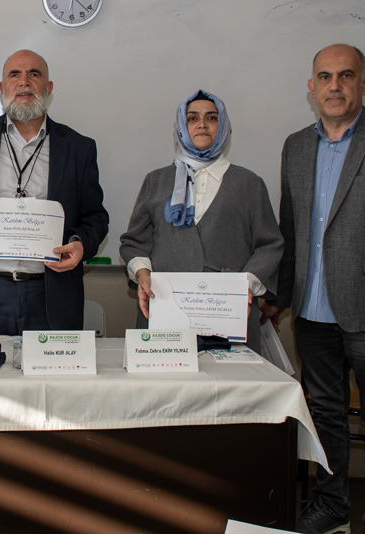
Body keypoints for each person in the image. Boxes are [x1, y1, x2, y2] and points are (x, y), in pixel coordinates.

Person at [262, 44, 365, 534]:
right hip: (311, 314)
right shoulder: (296, 146)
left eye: (346, 76)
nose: (335, 86)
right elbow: (291, 229)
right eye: (325, 77)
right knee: (325, 415)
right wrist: (280, 298)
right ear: (312, 87)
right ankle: (332, 506)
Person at [0, 49, 108, 335]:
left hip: (50, 296)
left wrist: (80, 244)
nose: (24, 81)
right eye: (15, 75)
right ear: (2, 87)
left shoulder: (79, 147)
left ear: (49, 87)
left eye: (34, 74)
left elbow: (95, 216)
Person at [119, 90, 282, 351]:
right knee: (165, 377)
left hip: (229, 314)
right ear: (182, 128)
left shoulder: (250, 183)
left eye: (212, 117)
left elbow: (269, 245)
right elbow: (134, 243)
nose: (202, 124)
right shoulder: (156, 181)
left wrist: (247, 284)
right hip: (164, 310)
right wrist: (142, 273)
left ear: (223, 126)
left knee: (232, 378)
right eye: (192, 118)